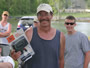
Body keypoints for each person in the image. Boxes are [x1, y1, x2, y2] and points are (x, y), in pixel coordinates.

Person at [11, 3, 65, 68]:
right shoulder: (29, 33)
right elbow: (19, 57)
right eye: (40, 14)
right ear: (37, 16)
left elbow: (61, 60)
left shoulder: (60, 36)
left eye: (46, 14)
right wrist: (15, 56)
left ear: (51, 15)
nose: (43, 17)